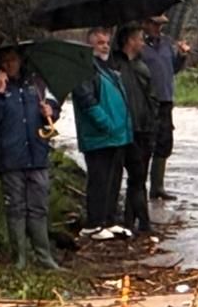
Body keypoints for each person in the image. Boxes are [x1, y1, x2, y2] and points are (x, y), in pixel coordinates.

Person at [0, 47, 61, 270]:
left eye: (13, 60)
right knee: (15, 207)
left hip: (37, 155)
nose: (10, 64)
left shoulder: (37, 84)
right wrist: (1, 92)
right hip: (10, 158)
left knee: (39, 206)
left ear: (21, 61)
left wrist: (50, 112)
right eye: (5, 61)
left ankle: (44, 257)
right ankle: (20, 259)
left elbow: (55, 108)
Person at [70, 27, 133, 240]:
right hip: (99, 136)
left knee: (114, 179)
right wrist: (106, 123)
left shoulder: (109, 67)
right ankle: (94, 224)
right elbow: (86, 100)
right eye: (99, 42)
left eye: (106, 41)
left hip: (116, 135)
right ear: (90, 45)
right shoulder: (84, 69)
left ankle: (109, 220)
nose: (105, 45)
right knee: (99, 180)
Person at [140, 13, 189, 200]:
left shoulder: (167, 44)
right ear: (145, 24)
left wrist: (182, 56)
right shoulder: (141, 48)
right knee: (147, 144)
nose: (158, 28)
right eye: (154, 24)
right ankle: (140, 187)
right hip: (148, 101)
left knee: (165, 142)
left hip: (166, 101)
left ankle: (157, 186)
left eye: (160, 25)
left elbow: (173, 68)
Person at [113, 22, 157, 234]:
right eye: (140, 38)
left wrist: (153, 121)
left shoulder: (142, 67)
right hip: (123, 131)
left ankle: (132, 222)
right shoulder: (114, 67)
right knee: (135, 177)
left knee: (139, 178)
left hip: (144, 130)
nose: (143, 43)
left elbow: (151, 97)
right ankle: (143, 224)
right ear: (129, 40)